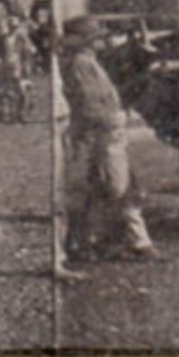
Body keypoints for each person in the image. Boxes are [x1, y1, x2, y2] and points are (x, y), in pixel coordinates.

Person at [59, 16, 158, 263]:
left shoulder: (89, 62)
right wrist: (114, 119)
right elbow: (90, 104)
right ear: (88, 42)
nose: (104, 41)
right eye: (98, 38)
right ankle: (138, 243)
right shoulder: (82, 64)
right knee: (119, 186)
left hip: (105, 133)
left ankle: (89, 241)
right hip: (103, 134)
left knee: (100, 188)